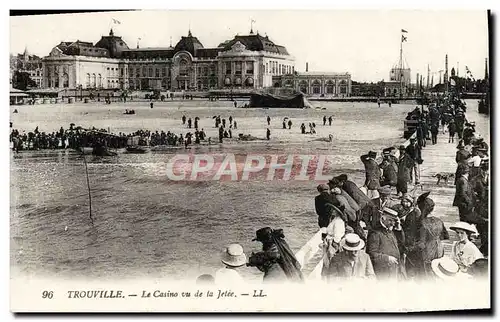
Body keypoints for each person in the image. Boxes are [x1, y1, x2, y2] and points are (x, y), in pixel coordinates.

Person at [408, 193, 449, 278]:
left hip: (428, 251)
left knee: (426, 273)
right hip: (439, 249)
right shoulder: (439, 220)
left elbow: (422, 244)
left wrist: (410, 249)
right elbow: (445, 236)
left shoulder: (423, 223)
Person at [366, 207, 406, 280]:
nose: (393, 224)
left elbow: (401, 244)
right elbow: (371, 254)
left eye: (395, 221)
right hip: (383, 273)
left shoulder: (390, 229)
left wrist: (399, 228)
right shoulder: (375, 233)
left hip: (394, 270)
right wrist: (387, 258)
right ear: (383, 218)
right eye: (390, 220)